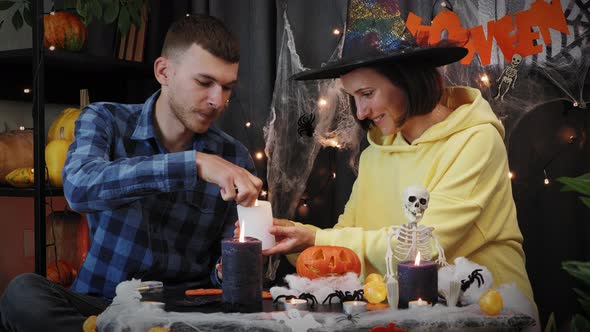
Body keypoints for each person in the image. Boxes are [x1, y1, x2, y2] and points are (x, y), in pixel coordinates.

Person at [255, 7, 538, 325]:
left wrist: (317, 240)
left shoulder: (477, 141)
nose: (360, 112)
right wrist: (294, 238)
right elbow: (346, 242)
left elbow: (425, 247)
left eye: (367, 93)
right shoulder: (374, 154)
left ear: (407, 79)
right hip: (403, 317)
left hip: (489, 316)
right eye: (353, 97)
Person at [0, 14, 261, 332]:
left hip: (181, 313)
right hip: (103, 302)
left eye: (227, 88)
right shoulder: (105, 120)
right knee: (22, 294)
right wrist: (192, 164)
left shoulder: (235, 157)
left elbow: (223, 270)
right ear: (164, 71)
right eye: (204, 83)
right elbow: (79, 188)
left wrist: (232, 267)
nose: (217, 101)